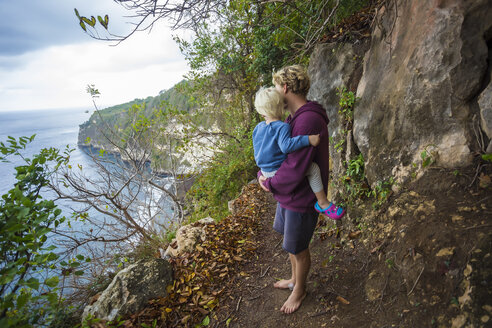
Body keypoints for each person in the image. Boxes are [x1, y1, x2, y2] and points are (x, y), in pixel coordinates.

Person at [258, 65, 344, 314]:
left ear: (284, 88)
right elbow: (274, 154)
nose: (275, 92)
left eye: (275, 87)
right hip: (289, 195)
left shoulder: (307, 119)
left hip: (301, 198)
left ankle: (300, 290)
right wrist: (263, 174)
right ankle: (294, 279)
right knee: (291, 245)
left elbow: (296, 167)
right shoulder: (291, 118)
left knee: (299, 246)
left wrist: (271, 183)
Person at [253, 87, 335, 213]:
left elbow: (259, 150)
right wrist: (308, 139)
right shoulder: (282, 127)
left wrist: (261, 172)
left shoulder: (258, 128)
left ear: (261, 112)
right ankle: (323, 202)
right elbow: (286, 146)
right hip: (277, 171)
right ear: (281, 106)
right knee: (313, 169)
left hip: (265, 171)